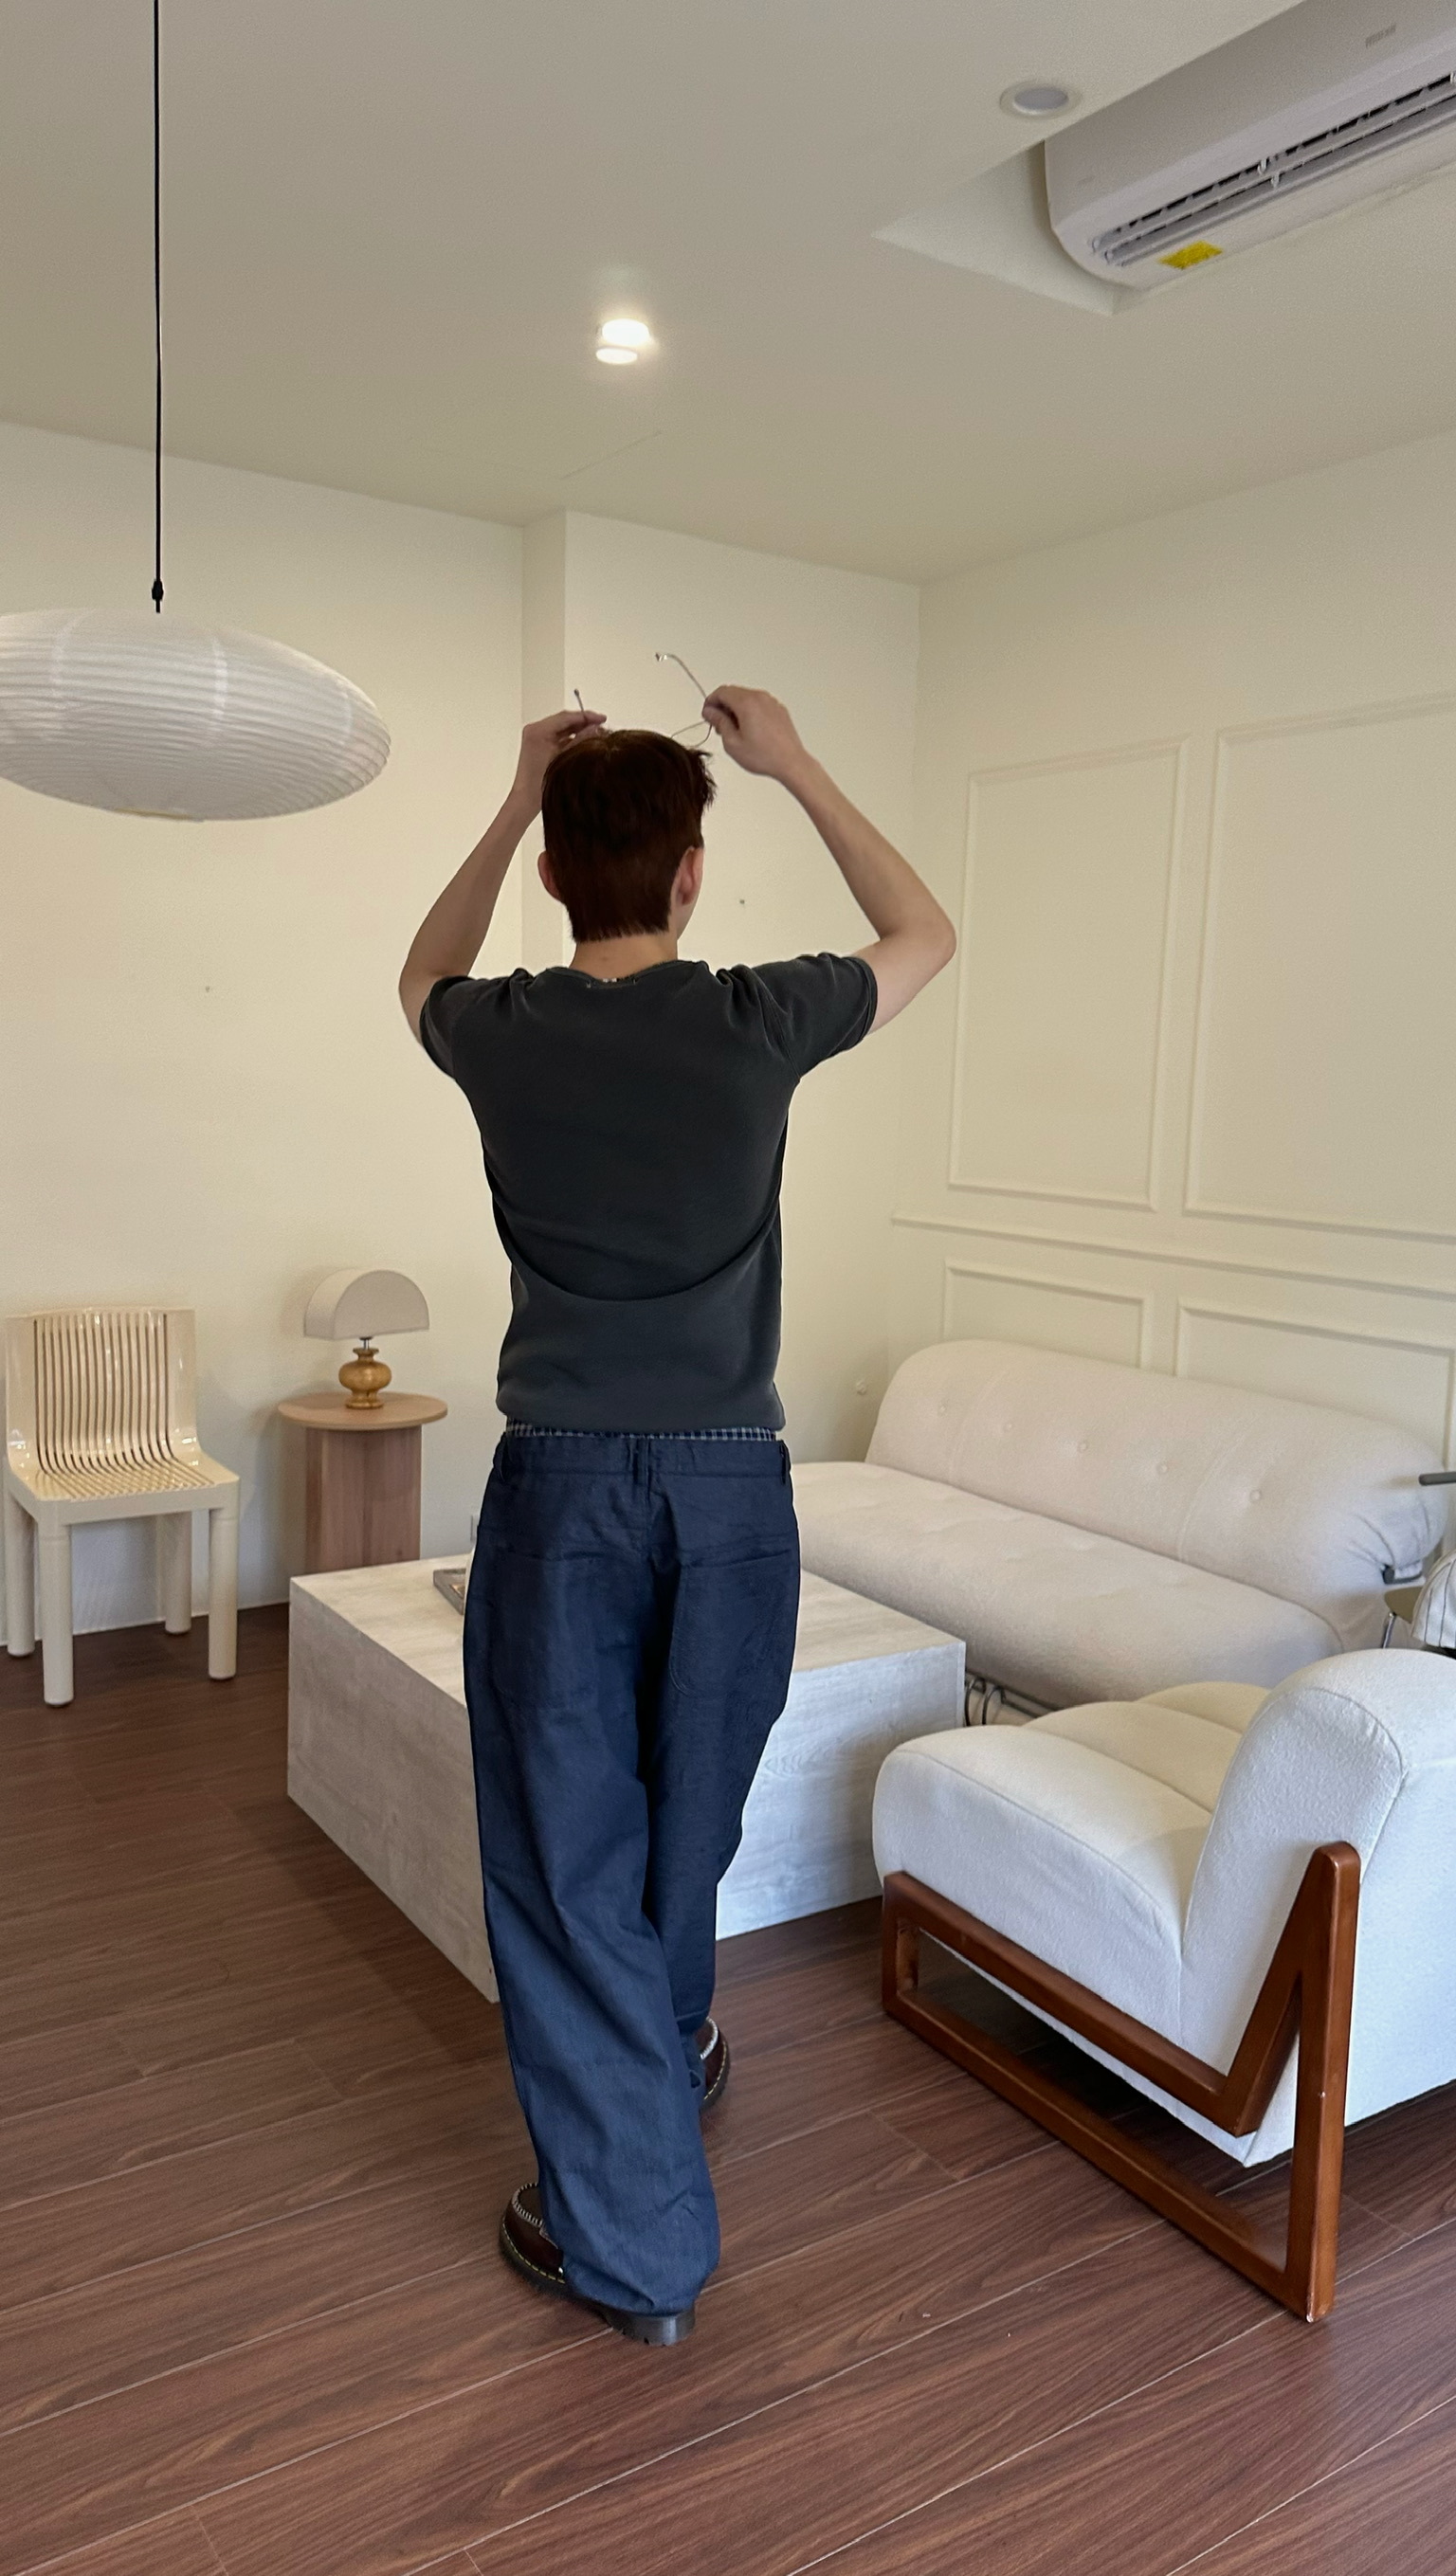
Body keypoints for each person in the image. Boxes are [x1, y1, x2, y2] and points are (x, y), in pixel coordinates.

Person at [398, 681, 956, 2346]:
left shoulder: (502, 1030)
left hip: (562, 1489)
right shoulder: (759, 1017)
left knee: (571, 1848)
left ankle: (632, 2244)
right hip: (729, 1491)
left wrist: (515, 793)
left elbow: (417, 971)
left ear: (554, 877)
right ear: (694, 871)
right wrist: (798, 763)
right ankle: (669, 2072)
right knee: (685, 1808)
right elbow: (926, 930)